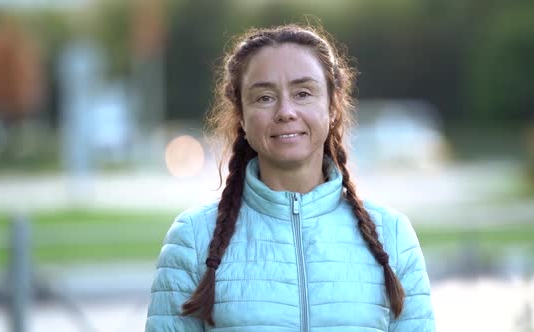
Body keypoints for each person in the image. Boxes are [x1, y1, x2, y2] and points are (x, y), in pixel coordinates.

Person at [145, 24, 435, 331]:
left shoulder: (392, 236)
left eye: (303, 93)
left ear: (333, 106)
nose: (285, 111)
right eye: (264, 97)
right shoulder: (192, 239)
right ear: (242, 115)